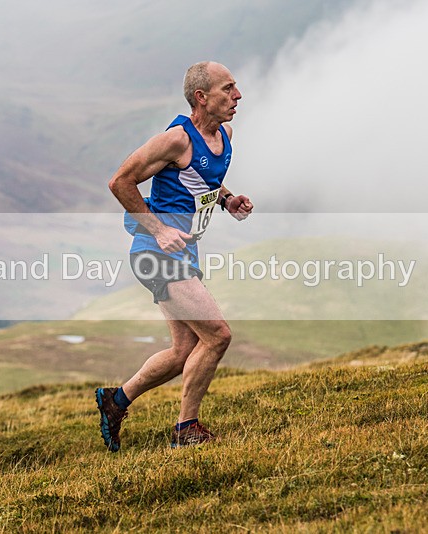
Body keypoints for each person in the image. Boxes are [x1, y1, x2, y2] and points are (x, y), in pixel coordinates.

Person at [96, 61, 253, 451]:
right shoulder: (175, 140)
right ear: (201, 97)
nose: (237, 96)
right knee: (217, 336)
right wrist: (160, 229)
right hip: (156, 252)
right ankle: (186, 429)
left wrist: (227, 200)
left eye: (235, 88)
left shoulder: (224, 135)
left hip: (182, 251)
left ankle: (116, 401)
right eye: (227, 89)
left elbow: (203, 181)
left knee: (184, 351)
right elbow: (120, 182)